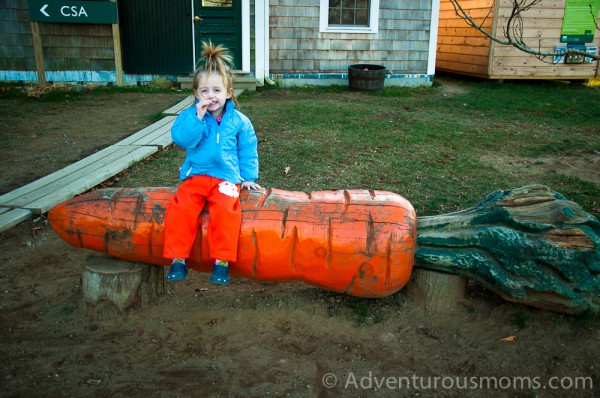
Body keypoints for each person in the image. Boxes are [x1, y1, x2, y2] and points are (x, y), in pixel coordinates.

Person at [163, 41, 260, 285]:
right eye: (204, 91)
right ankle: (178, 259)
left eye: (217, 90)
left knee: (227, 212)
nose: (211, 96)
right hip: (196, 175)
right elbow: (181, 139)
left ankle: (222, 262)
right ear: (196, 94)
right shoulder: (190, 116)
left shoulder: (239, 120)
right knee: (181, 208)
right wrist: (197, 117)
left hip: (226, 178)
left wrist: (248, 177)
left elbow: (247, 148)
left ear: (228, 92)